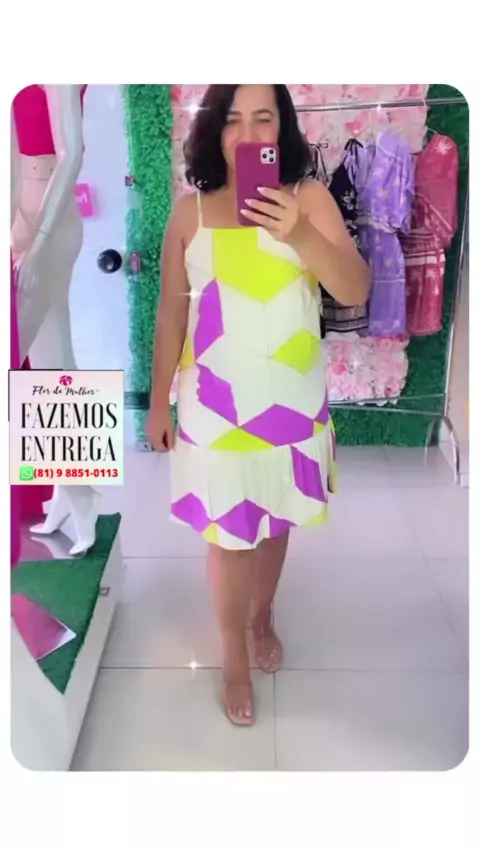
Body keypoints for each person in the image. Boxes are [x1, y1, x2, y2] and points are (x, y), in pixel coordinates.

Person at [147, 85, 370, 726]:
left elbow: (355, 287)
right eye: (233, 119)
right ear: (214, 130)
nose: (247, 134)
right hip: (214, 408)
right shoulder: (189, 213)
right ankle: (232, 656)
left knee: (275, 526)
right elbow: (171, 313)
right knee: (228, 538)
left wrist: (298, 232)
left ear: (282, 129)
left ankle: (262, 614)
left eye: (263, 118)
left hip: (290, 404)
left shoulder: (309, 199)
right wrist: (158, 404)